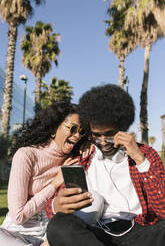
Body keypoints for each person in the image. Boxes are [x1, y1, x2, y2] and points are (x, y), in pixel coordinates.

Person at [45, 84, 165, 246]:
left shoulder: (146, 154)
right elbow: (53, 206)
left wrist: (140, 159)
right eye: (96, 135)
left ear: (121, 127)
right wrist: (56, 205)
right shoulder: (81, 157)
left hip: (141, 231)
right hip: (97, 234)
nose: (102, 141)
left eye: (109, 134)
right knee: (58, 226)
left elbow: (162, 208)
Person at [0, 101, 90, 246]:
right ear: (54, 127)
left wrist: (91, 143)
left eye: (82, 131)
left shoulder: (74, 158)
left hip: (51, 234)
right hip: (16, 234)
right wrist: (55, 184)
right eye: (73, 128)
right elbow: (18, 216)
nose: (78, 135)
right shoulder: (26, 155)